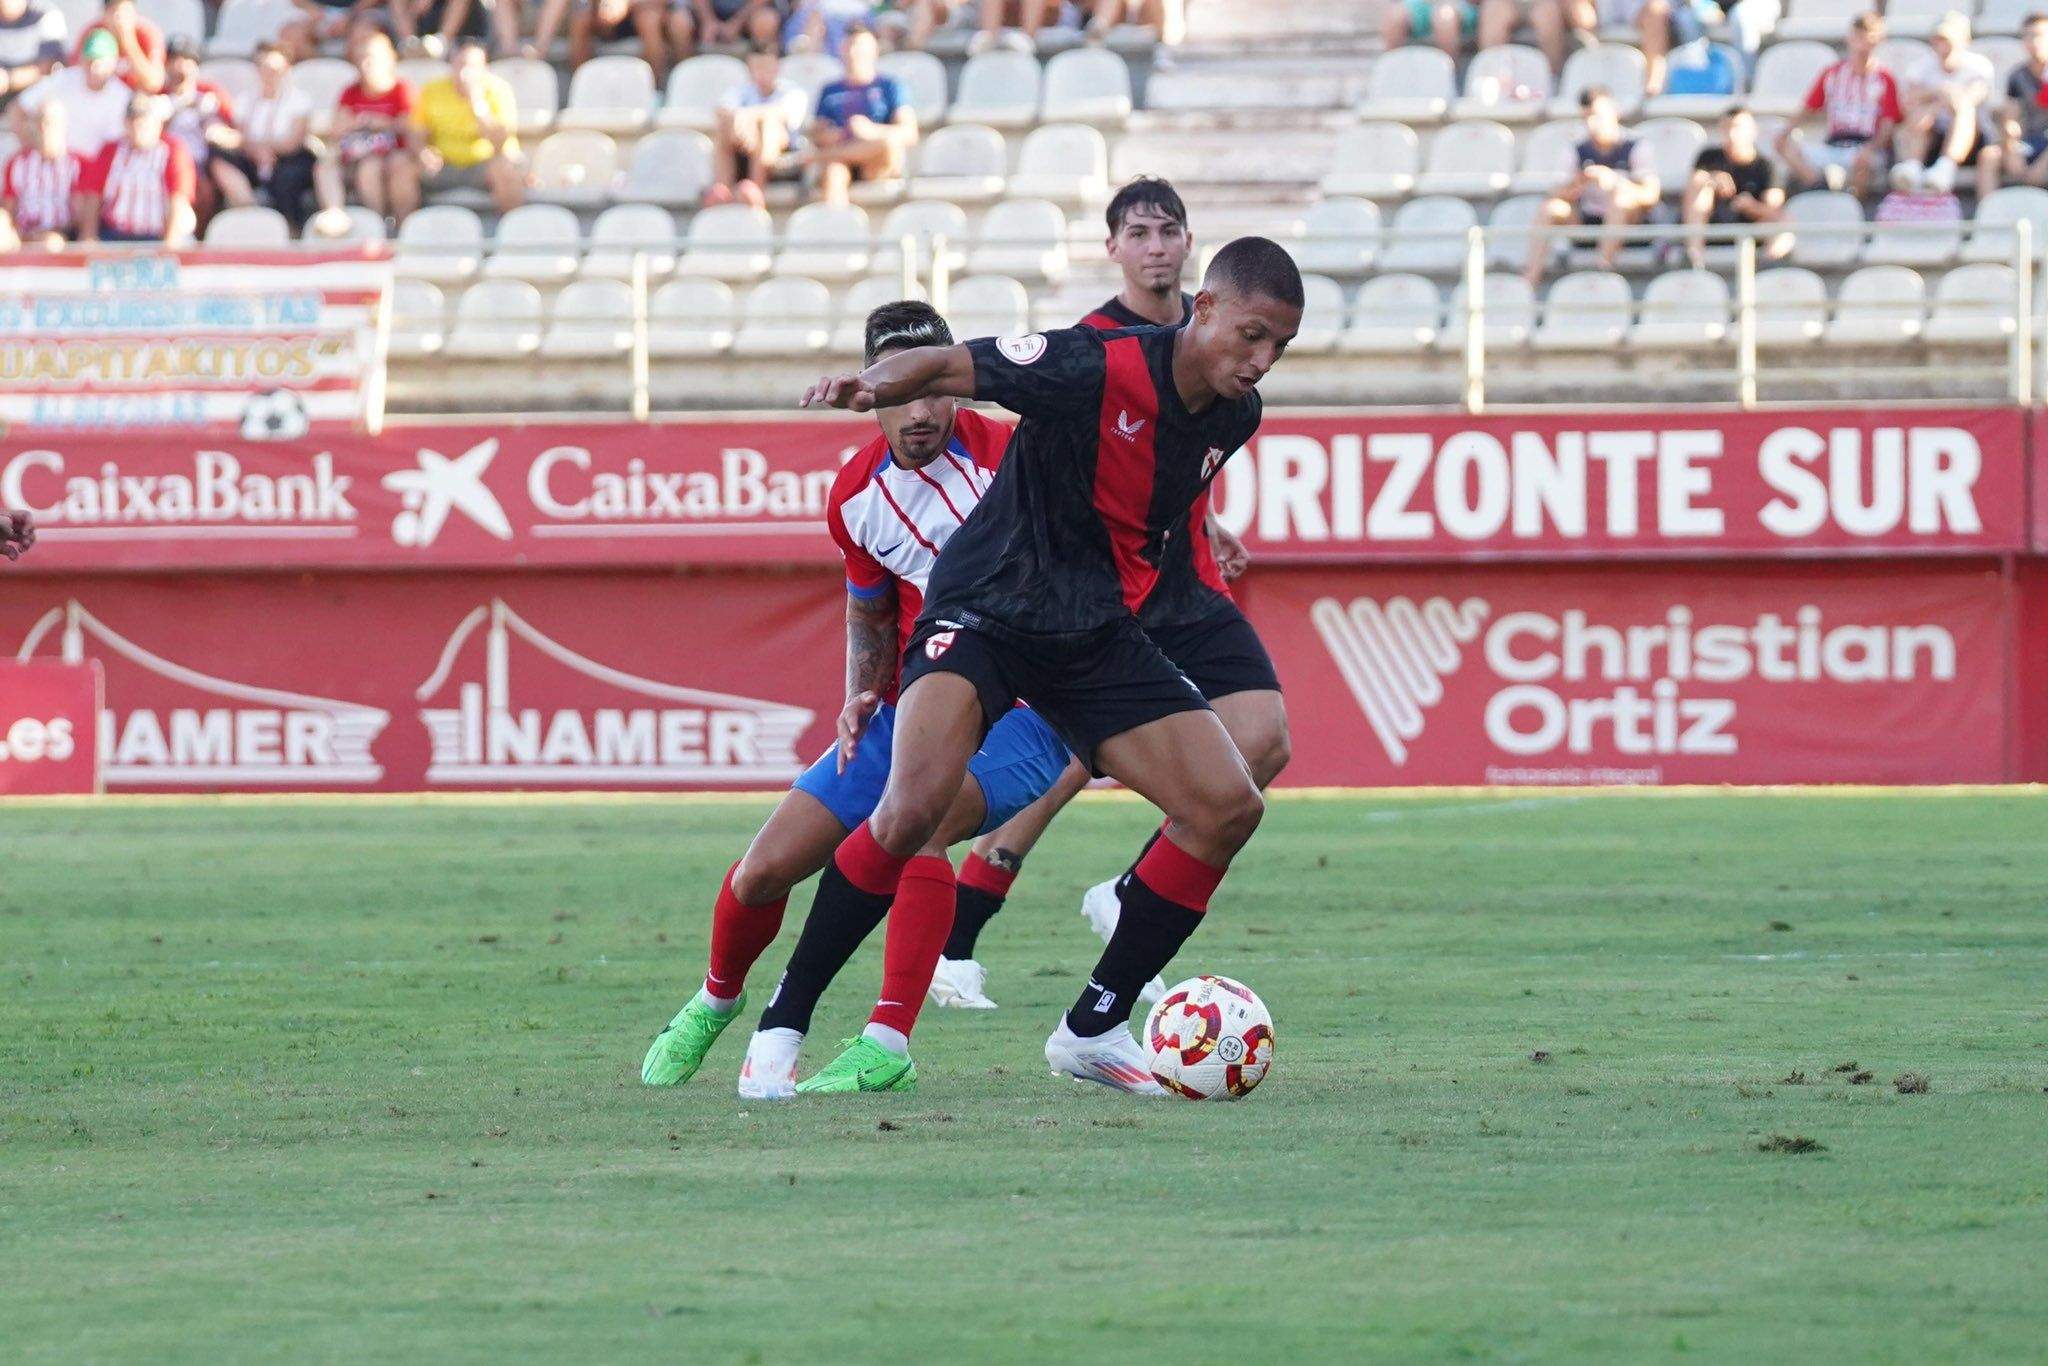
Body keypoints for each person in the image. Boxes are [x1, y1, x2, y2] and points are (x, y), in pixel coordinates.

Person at [793, 236, 1302, 1094]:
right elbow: (954, 362)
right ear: (1202, 307)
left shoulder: (1235, 417)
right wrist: (874, 385)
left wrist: (1190, 536)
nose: (1262, 361)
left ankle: (1092, 1027)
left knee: (1226, 805)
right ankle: (795, 1020)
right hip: (994, 610)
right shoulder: (1092, 361)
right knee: (911, 814)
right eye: (1250, 334)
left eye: (1280, 346)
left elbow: (1150, 488)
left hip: (1094, 630)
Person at [638, 300, 1075, 1099]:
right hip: (919, 704)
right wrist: (863, 692)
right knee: (765, 869)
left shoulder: (1018, 459)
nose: (920, 411)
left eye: (933, 388)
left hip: (1034, 708)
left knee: (925, 823)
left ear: (954, 384)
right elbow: (871, 605)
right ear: (870, 394)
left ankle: (888, 1040)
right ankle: (713, 1001)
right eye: (898, 392)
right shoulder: (854, 499)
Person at [930, 176, 1286, 1014]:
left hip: (1186, 584)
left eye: (1171, 230)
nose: (1157, 245)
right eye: (1140, 231)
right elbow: (1056, 463)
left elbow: (1176, 455)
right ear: (1115, 247)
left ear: (1192, 251)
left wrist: (1209, 519)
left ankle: (1127, 896)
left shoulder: (1228, 350)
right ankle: (962, 924)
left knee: (1261, 742)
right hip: (1090, 597)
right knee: (1061, 761)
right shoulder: (1092, 345)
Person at [1525, 86, 1659, 284]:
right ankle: (1529, 280)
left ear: (1615, 112)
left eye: (1596, 116)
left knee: (1620, 198)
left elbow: (1650, 195)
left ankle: (1601, 272)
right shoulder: (1576, 149)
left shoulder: (1636, 146)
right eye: (1586, 117)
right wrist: (1576, 185)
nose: (1591, 124)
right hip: (1588, 222)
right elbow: (1556, 192)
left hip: (1631, 227)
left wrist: (1614, 182)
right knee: (1550, 208)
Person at [211, 41, 347, 229]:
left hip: (288, 158)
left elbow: (293, 141)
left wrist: (265, 148)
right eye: (264, 68)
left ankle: (291, 227)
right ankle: (249, 208)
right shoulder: (245, 100)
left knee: (288, 175)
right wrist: (257, 151)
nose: (269, 75)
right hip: (253, 156)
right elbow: (241, 135)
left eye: (275, 69)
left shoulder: (298, 100)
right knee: (219, 158)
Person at [1773, 10, 1898, 197]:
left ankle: (1855, 210)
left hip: (1865, 146)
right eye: (1859, 36)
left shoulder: (1885, 79)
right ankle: (1820, 188)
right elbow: (1808, 107)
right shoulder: (1832, 74)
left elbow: (1888, 125)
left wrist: (1871, 148)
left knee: (1863, 162)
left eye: (1868, 37)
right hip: (1834, 144)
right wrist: (1784, 134)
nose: (1863, 43)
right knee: (1788, 148)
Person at [802, 26, 915, 206]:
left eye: (860, 46)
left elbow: (909, 133)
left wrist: (872, 131)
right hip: (842, 161)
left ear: (874, 50)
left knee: (887, 142)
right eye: (850, 46)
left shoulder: (890, 86)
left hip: (877, 162)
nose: (854, 53)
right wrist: (827, 136)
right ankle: (838, 224)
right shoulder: (830, 90)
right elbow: (818, 132)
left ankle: (821, 157)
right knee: (834, 172)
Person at [1890, 10, 1995, 195]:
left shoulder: (1979, 66)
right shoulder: (1921, 66)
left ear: (1964, 40)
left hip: (1973, 143)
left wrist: (1936, 96)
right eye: (1939, 39)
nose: (1943, 46)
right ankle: (1913, 165)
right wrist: (1938, 98)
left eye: (1948, 39)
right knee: (1921, 112)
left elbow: (1970, 98)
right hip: (1932, 135)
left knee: (1964, 110)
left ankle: (1947, 166)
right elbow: (1909, 102)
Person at [414, 40, 525, 212]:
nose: (465, 72)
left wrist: (477, 102)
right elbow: (417, 131)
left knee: (506, 171)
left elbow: (499, 143)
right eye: (460, 65)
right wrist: (423, 151)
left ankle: (512, 230)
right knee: (402, 171)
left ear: (485, 68)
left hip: (484, 164)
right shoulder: (432, 90)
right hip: (443, 165)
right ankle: (404, 230)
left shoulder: (499, 90)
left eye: (472, 66)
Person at [1679, 105, 1787, 269]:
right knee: (1701, 189)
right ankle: (1694, 256)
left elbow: (1774, 208)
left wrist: (1751, 206)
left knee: (1786, 221)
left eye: (1737, 127)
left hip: (1751, 229)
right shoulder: (1709, 157)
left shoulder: (1766, 167)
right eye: (1726, 127)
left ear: (1752, 131)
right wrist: (1712, 179)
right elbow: (1694, 182)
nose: (1731, 134)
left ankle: (1766, 265)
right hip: (1713, 224)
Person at [78, 92, 195, 243]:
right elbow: (94, 195)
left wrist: (169, 244)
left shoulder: (172, 150)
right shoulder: (111, 151)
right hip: (114, 235)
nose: (138, 127)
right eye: (133, 121)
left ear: (158, 123)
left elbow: (178, 198)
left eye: (143, 121)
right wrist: (88, 236)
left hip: (155, 237)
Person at [333, 31, 421, 225]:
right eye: (360, 59)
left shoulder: (401, 89)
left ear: (389, 60)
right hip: (364, 154)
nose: (365, 65)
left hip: (398, 152)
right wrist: (359, 123)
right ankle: (378, 226)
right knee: (368, 169)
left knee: (399, 167)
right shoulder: (351, 91)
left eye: (371, 59)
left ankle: (404, 226)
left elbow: (411, 124)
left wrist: (381, 122)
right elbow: (337, 127)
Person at [705, 43, 805, 207]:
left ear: (777, 67)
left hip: (780, 156)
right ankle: (722, 190)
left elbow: (781, 113)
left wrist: (746, 117)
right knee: (725, 125)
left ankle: (756, 190)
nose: (761, 73)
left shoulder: (793, 92)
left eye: (766, 66)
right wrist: (740, 121)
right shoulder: (741, 91)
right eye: (756, 67)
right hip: (743, 148)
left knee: (767, 123)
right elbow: (721, 110)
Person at [14, 29, 131, 160]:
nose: (94, 68)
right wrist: (32, 147)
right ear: (82, 59)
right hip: (59, 164)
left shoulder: (123, 97)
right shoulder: (62, 79)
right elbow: (19, 108)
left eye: (100, 62)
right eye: (89, 61)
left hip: (97, 170)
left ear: (114, 62)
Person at [159, 37, 239, 221]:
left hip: (204, 166)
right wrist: (177, 110)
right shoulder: (159, 97)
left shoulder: (210, 95)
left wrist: (215, 132)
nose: (180, 68)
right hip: (167, 166)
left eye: (186, 61)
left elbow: (236, 135)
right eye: (174, 61)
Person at [0, 97, 82, 248]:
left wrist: (46, 233)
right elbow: (8, 209)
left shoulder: (77, 165)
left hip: (60, 236)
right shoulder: (17, 163)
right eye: (39, 121)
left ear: (64, 125)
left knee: (50, 244)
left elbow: (80, 217)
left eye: (50, 122)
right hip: (22, 234)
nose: (44, 127)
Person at [1984, 12, 2048, 192]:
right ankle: (1989, 215)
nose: (2033, 41)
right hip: (2030, 141)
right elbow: (2011, 119)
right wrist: (2011, 147)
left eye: (2038, 35)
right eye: (2027, 36)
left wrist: (2043, 163)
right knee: (1989, 157)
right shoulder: (2017, 76)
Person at [69, 0, 164, 92]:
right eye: (113, 11)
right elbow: (74, 74)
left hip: (134, 98)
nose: (118, 18)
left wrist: (128, 41)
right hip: (102, 96)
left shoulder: (147, 34)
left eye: (124, 11)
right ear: (104, 14)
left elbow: (154, 83)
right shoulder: (92, 33)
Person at [1379, 0, 1516, 63]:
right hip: (1422, 4)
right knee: (1394, 16)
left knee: (1444, 19)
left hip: (1460, 7)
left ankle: (1450, 79)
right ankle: (1390, 75)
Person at [0, 0, 66, 114]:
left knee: (49, 112)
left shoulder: (46, 15)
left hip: (37, 90)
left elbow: (49, 67)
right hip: (4, 90)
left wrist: (9, 79)